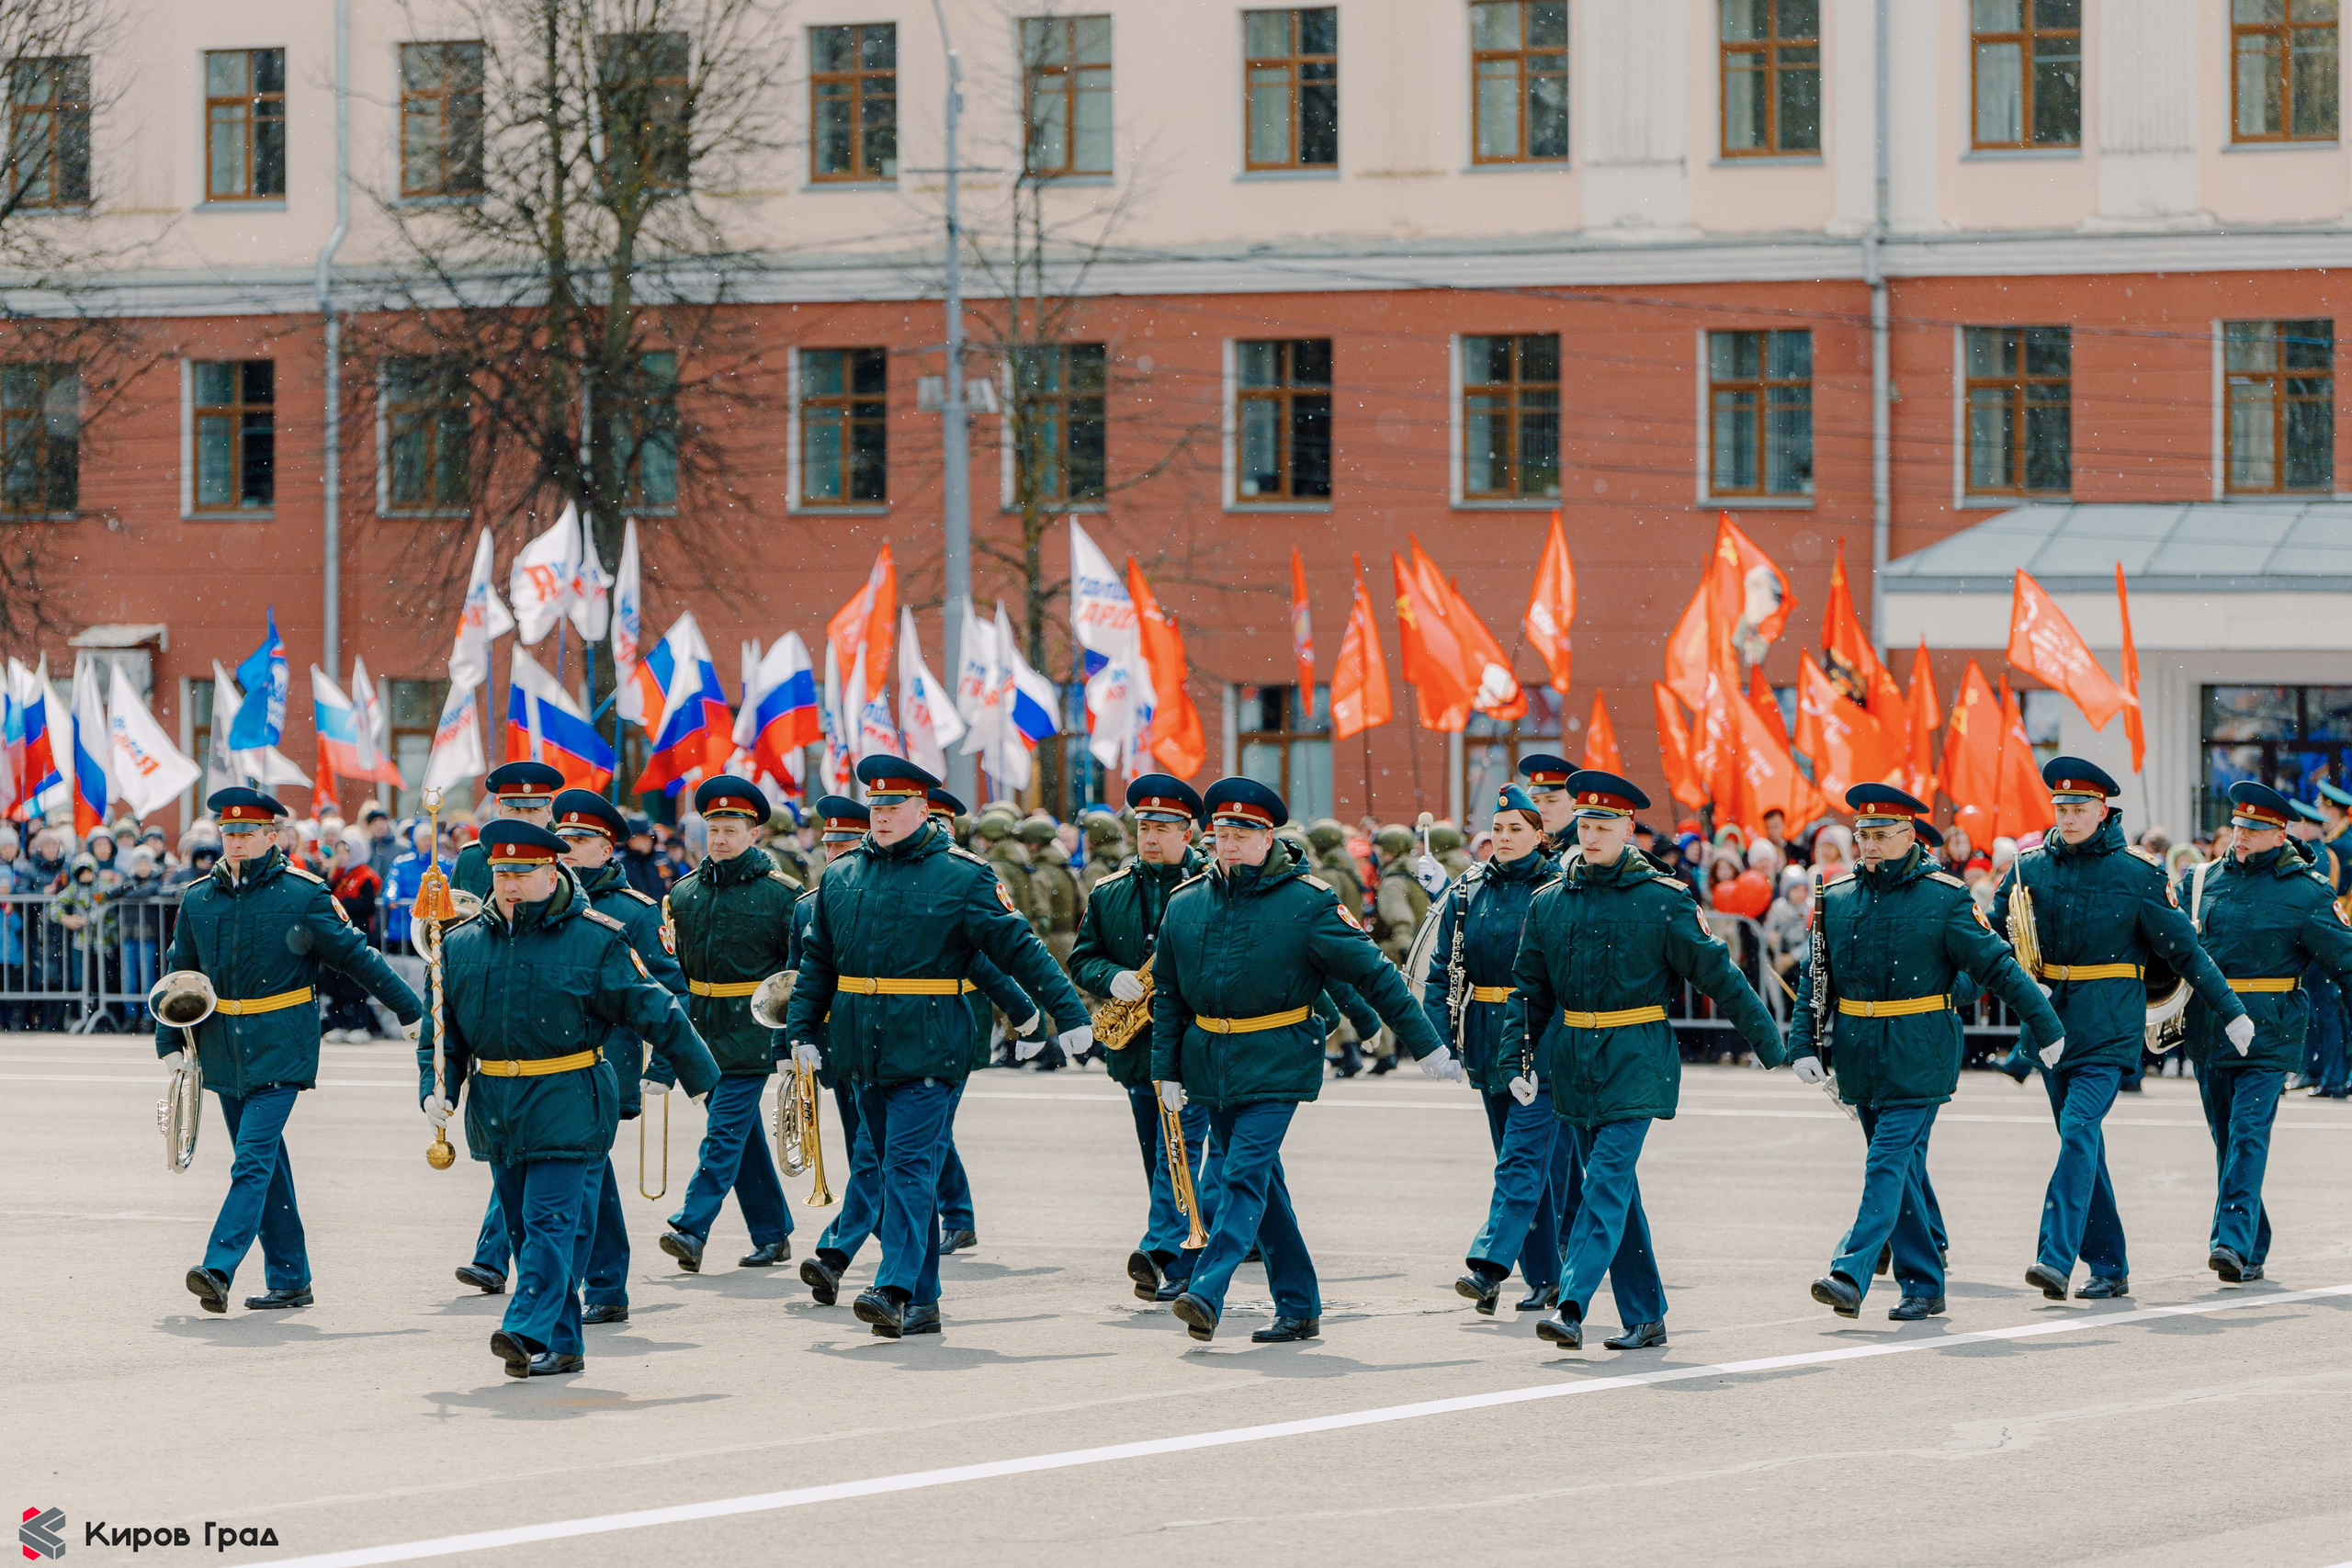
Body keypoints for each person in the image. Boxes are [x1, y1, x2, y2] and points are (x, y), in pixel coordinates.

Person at [783, 756, 1091, 1338]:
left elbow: (1017, 948)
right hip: (862, 1048)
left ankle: (893, 1285)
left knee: (904, 1165)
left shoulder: (963, 876)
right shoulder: (843, 878)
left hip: (930, 1044)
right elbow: (819, 962)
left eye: (894, 807)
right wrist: (802, 1032)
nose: (882, 817)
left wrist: (1065, 1011)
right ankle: (923, 1301)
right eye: (875, 807)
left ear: (925, 810)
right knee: (905, 1171)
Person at [1152, 778, 1455, 1346]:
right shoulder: (1186, 902)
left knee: (1239, 1174)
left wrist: (1428, 1042)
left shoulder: (1306, 902)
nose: (1231, 844)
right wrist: (1165, 1068)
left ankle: (1206, 1289)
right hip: (1210, 1061)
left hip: (1277, 1059)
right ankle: (1299, 1307)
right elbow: (1169, 994)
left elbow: (1373, 974)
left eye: (1244, 833)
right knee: (1264, 1187)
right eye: (1222, 833)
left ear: (1269, 838)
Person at [419, 819, 718, 1377]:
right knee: (520, 1225)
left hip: (569, 1098)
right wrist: (435, 1089)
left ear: (551, 870)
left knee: (549, 1222)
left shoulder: (595, 938)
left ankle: (525, 1326)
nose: (509, 884)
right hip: (497, 1109)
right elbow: (442, 1032)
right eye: (501, 872)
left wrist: (703, 1080)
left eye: (522, 872)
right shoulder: (459, 943)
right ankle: (564, 1345)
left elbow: (658, 1009)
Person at [1501, 771, 1785, 1353]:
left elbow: (1719, 976)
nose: (1593, 833)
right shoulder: (1551, 902)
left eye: (1605, 824)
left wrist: (1771, 1044)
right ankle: (1646, 1314)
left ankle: (1574, 1304)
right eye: (1585, 822)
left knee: (1602, 1183)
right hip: (1575, 1062)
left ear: (1629, 830)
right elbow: (1529, 991)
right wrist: (1517, 1060)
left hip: (1636, 1060)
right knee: (1615, 1193)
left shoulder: (1662, 900)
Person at [1790, 787, 2063, 1322]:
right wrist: (1802, 1042)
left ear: (1909, 835)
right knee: (1904, 1170)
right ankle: (1924, 1282)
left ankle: (1851, 1270)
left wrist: (2045, 1024)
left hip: (1920, 1053)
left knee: (1886, 1162)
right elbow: (1815, 980)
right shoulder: (1838, 897)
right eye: (1862, 836)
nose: (1868, 846)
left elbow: (1997, 967)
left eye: (1880, 835)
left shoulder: (1944, 897)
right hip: (1860, 1056)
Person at [1994, 757, 2249, 1302]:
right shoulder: (2028, 868)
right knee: (2082, 1143)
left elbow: (2184, 950)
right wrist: (1990, 990)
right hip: (2049, 1025)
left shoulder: (2138, 873)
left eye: (2079, 807)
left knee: (2079, 1129)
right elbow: (1989, 945)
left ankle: (2055, 1258)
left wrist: (2231, 1010)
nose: (2068, 817)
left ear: (2103, 808)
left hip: (2108, 1025)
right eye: (2061, 807)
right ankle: (2110, 1265)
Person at [166, 789, 424, 1314]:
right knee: (268, 1163)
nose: (236, 842)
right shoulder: (198, 898)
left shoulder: (301, 894)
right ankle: (290, 1278)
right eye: (229, 833)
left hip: (283, 1043)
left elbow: (358, 957)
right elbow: (179, 973)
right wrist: (169, 1039)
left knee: (252, 1160)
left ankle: (218, 1266)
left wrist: (410, 1009)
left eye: (247, 834)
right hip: (223, 1047)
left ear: (271, 836)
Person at [2175, 783, 2352, 1283]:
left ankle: (2229, 1241)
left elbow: (2347, 963)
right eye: (2237, 826)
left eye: (2253, 829)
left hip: (2270, 1033)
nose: (2241, 836)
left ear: (2279, 834)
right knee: (2227, 1140)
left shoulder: (2307, 892)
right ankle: (2253, 1241)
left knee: (2248, 1137)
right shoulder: (2201, 881)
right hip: (2211, 1030)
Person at [1069, 773, 1223, 1304]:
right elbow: (1081, 957)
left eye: (1163, 827)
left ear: (1190, 831)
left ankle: (1164, 1251)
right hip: (1135, 1048)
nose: (1151, 837)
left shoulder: (1215, 887)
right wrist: (1110, 977)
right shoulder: (1110, 893)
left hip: (1194, 1044)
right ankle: (1191, 1249)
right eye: (1143, 827)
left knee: (1175, 1150)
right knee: (1157, 1154)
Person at [1427, 784, 1573, 1317]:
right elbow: (1443, 970)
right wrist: (1437, 1041)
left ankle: (1488, 1267)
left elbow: (1565, 980)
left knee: (1520, 1161)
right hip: (1487, 1039)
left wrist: (1544, 1050)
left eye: (1517, 829)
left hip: (1539, 1040)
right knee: (1521, 1165)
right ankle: (1547, 1278)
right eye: (1499, 829)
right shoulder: (1470, 892)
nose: (1504, 838)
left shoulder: (1558, 889)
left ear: (1541, 834)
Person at [656, 775, 802, 1274]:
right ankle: (772, 1233)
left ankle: (691, 1227)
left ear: (753, 833)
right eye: (713, 828)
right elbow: (677, 972)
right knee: (741, 1138)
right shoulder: (684, 894)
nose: (719, 838)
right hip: (701, 1031)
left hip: (753, 1030)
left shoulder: (782, 895)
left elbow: (798, 973)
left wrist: (792, 1037)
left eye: (731, 829)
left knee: (723, 1134)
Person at [449, 761, 565, 899]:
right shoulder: (471, 860)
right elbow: (454, 917)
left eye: (534, 810)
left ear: (549, 812)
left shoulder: (564, 859)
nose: (524, 819)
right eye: (515, 810)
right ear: (500, 810)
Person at [322, 833, 385, 1042]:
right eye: (338, 852)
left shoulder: (366, 876)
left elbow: (366, 906)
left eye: (345, 852)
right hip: (337, 936)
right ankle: (337, 1022)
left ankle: (359, 1024)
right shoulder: (337, 875)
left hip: (358, 934)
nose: (340, 856)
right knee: (335, 979)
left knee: (355, 980)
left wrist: (343, 905)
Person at [1020, 811, 1081, 967]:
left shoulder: (1040, 873)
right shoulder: (1066, 868)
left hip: (1052, 947)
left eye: (1025, 843)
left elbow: (1042, 919)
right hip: (1071, 943)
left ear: (1034, 844)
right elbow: (1083, 906)